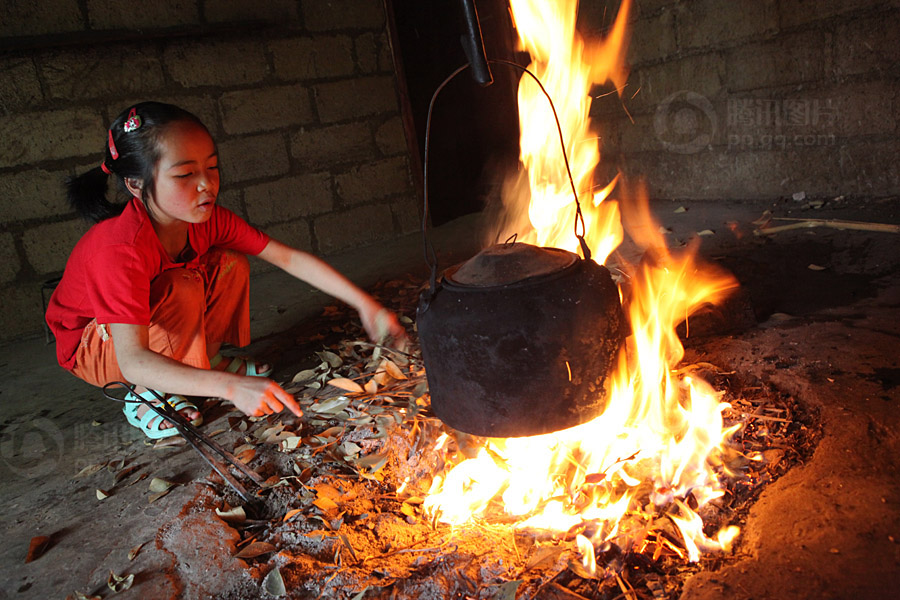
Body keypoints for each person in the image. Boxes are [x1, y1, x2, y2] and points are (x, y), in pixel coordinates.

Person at [46, 101, 406, 439]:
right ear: (135, 184)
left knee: (229, 262)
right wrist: (230, 388)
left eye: (212, 167)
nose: (206, 184)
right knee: (182, 285)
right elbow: (133, 360)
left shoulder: (206, 220)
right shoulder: (120, 249)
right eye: (185, 174)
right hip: (97, 348)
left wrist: (365, 304)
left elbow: (288, 258)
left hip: (137, 338)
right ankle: (144, 395)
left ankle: (204, 359)